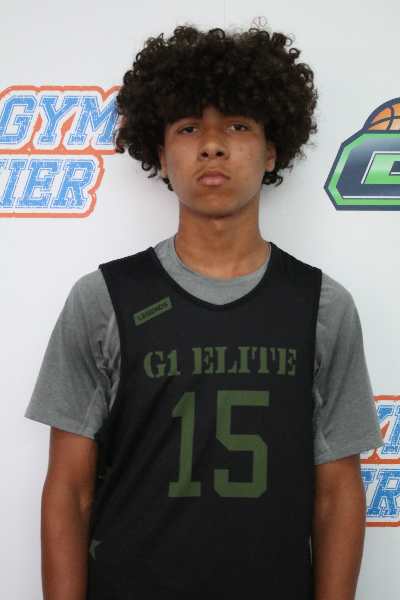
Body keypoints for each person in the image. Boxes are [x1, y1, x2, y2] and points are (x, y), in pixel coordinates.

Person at [26, 23, 383, 600]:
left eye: (237, 126)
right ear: (161, 156)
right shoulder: (104, 299)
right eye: (188, 128)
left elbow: (338, 493)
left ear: (272, 149)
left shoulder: (322, 306)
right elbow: (69, 490)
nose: (212, 145)